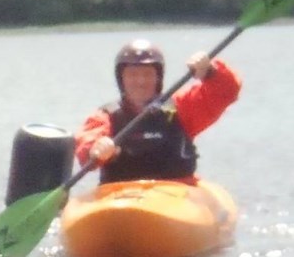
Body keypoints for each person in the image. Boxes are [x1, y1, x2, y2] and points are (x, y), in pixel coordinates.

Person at [74, 38, 241, 185]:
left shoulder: (181, 108)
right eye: (132, 74)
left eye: (147, 74)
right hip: (121, 196)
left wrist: (210, 71)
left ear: (158, 78)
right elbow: (87, 142)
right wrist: (95, 149)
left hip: (177, 193)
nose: (140, 81)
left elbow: (227, 92)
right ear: (121, 79)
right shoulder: (106, 116)